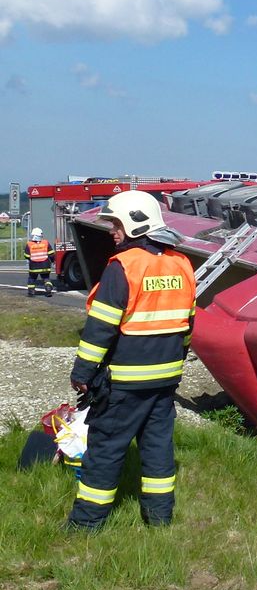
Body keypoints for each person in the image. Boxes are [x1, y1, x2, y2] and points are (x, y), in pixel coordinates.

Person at [66, 191, 196, 530]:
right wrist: (176, 360)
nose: (113, 231)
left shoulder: (123, 266)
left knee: (106, 450)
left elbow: (100, 329)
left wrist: (82, 373)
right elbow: (188, 324)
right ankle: (159, 519)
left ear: (137, 224)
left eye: (117, 224)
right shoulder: (182, 264)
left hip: (124, 382)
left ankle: (86, 524)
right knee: (157, 449)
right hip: (166, 380)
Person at [24, 227, 53, 297]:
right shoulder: (46, 243)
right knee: (46, 278)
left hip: (34, 266)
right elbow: (51, 254)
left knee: (32, 279)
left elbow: (26, 256)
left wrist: (32, 258)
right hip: (45, 265)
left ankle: (31, 292)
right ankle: (48, 289)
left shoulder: (29, 244)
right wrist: (52, 261)